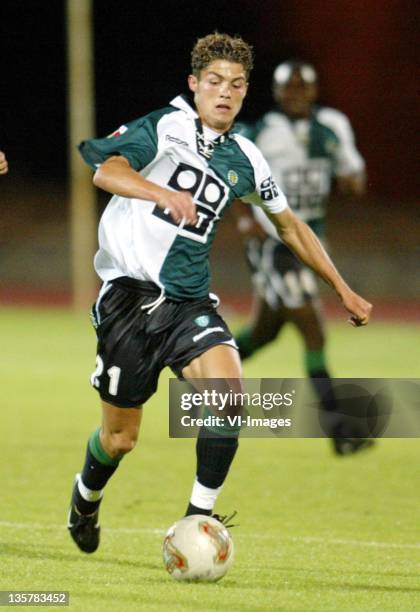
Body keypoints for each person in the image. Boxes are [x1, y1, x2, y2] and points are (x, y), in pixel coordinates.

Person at [68, 34, 372, 554]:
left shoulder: (247, 157)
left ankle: (197, 524)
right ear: (194, 85)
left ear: (246, 90)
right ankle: (85, 499)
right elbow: (107, 170)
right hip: (128, 301)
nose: (224, 93)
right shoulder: (167, 126)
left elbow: (291, 226)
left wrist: (342, 288)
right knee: (120, 439)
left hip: (189, 303)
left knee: (228, 400)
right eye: (214, 82)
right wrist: (162, 191)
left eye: (235, 84)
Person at [234, 59, 370, 455]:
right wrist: (246, 219)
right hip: (274, 243)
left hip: (310, 239)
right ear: (276, 93)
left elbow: (353, 176)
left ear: (313, 91)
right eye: (287, 88)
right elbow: (235, 175)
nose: (295, 94)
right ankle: (338, 429)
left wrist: (350, 176)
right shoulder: (260, 132)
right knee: (313, 329)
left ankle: (197, 372)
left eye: (301, 87)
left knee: (266, 330)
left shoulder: (332, 125)